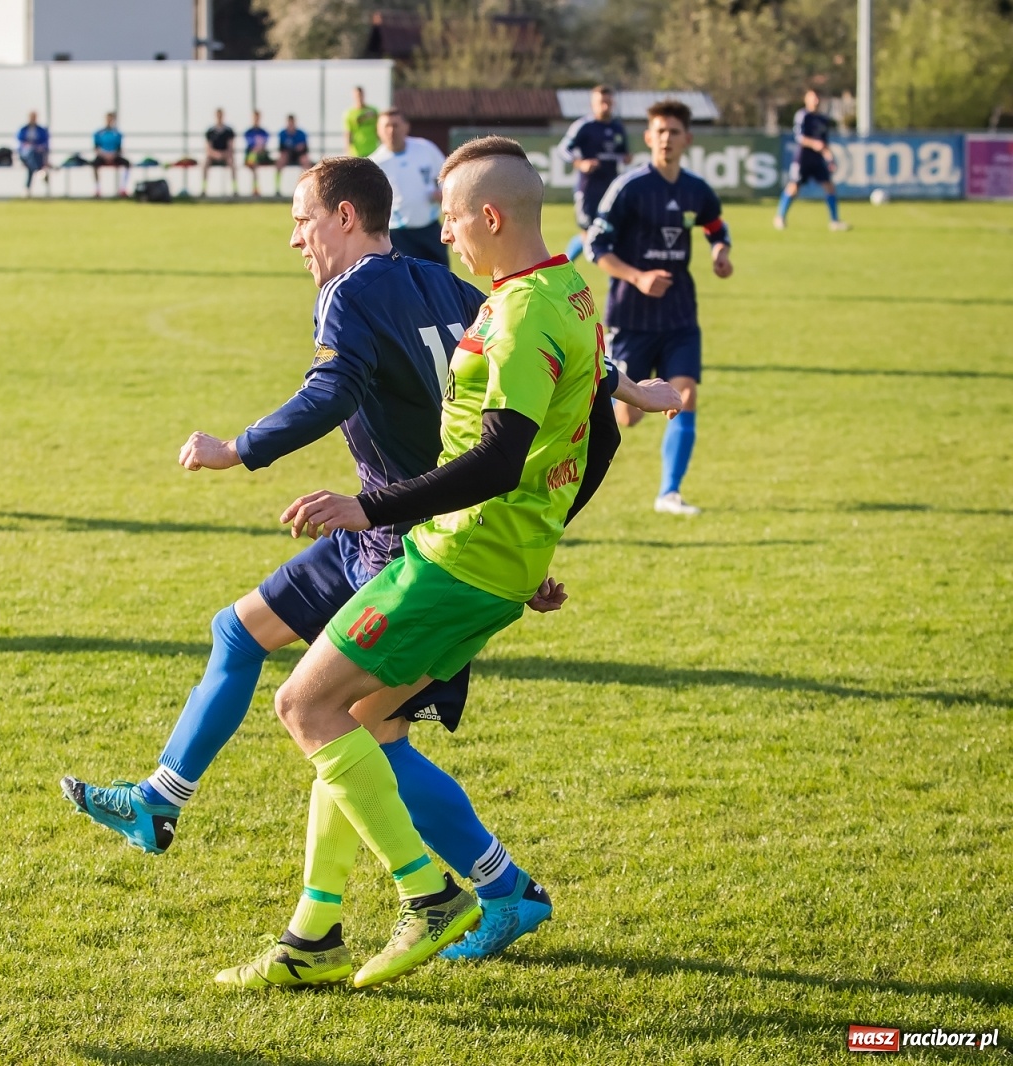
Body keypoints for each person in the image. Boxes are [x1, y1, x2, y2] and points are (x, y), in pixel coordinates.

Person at [219, 135, 604, 990]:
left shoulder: (517, 312)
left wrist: (369, 505)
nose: (445, 232)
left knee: (301, 705)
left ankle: (429, 895)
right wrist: (540, 536)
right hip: (491, 556)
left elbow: (500, 459)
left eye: (454, 215)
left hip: (454, 555)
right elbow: (598, 431)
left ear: (491, 216)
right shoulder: (571, 291)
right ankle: (314, 938)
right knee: (350, 726)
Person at [588, 99, 733, 516]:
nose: (666, 139)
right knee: (627, 417)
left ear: (687, 139)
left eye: (674, 131)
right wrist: (638, 277)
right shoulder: (629, 188)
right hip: (632, 317)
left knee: (685, 395)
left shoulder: (695, 190)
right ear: (649, 138)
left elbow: (716, 228)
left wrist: (720, 253)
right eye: (659, 131)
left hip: (680, 314)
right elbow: (597, 248)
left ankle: (669, 492)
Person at [369, 108, 449, 267]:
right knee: (410, 281)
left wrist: (444, 193)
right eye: (386, 126)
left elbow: (447, 174)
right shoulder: (375, 163)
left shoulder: (425, 148)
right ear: (378, 130)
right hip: (398, 234)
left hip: (430, 228)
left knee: (442, 278)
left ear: (406, 127)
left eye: (396, 125)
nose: (392, 131)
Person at [558, 85, 629, 261]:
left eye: (608, 102)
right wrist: (580, 163)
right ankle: (564, 267)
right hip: (588, 189)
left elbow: (622, 153)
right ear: (593, 104)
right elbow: (563, 149)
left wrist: (626, 157)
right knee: (588, 234)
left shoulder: (617, 128)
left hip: (611, 189)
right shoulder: (584, 126)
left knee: (613, 232)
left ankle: (616, 277)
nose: (605, 106)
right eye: (601, 102)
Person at [775, 88, 849, 231]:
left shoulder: (823, 120)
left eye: (817, 98)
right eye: (813, 98)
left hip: (817, 159)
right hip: (803, 158)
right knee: (794, 187)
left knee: (829, 186)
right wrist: (814, 144)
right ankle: (780, 217)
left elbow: (824, 143)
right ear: (806, 100)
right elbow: (799, 137)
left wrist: (830, 159)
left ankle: (834, 221)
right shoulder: (803, 115)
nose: (816, 101)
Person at [91, 112, 129, 198]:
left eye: (111, 119)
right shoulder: (99, 133)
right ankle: (97, 189)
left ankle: (123, 188)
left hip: (114, 155)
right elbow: (96, 147)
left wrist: (113, 154)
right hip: (102, 155)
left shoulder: (117, 133)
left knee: (127, 163)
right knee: (94, 164)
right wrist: (104, 154)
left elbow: (119, 148)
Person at [17, 111, 50, 197]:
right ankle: (40, 171)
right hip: (25, 154)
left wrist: (38, 147)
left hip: (36, 154)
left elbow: (45, 143)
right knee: (31, 151)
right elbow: (20, 142)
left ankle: (27, 189)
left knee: (31, 165)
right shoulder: (23, 129)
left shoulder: (41, 130)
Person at [202, 109, 236, 195]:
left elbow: (231, 147)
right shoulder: (210, 131)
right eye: (218, 115)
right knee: (205, 163)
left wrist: (223, 154)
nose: (219, 117)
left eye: (221, 115)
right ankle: (203, 189)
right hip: (213, 156)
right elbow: (208, 149)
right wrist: (216, 154)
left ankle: (235, 189)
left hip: (225, 156)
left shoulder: (229, 131)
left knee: (232, 163)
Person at [243, 111, 273, 197]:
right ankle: (255, 188)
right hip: (251, 156)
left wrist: (259, 147)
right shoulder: (248, 132)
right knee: (253, 159)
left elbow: (264, 143)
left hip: (262, 155)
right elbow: (250, 144)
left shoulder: (264, 132)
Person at [343, 86, 379, 158]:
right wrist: (347, 150)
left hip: (372, 149)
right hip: (357, 151)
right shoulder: (349, 114)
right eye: (357, 96)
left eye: (361, 95)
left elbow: (378, 128)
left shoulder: (373, 111)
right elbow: (348, 133)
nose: (359, 98)